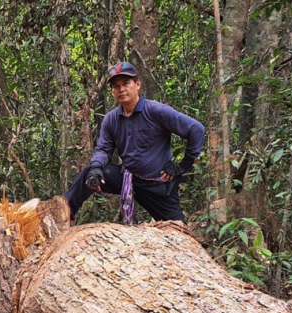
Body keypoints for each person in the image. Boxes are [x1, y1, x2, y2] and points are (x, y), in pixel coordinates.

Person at [64, 62, 205, 224]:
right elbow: (103, 149)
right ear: (112, 91)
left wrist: (182, 166)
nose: (121, 89)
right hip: (127, 179)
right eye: (116, 86)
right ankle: (65, 214)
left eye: (126, 83)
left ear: (137, 85)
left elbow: (196, 129)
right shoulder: (111, 119)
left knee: (178, 230)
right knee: (89, 172)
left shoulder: (156, 111)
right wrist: (96, 167)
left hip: (157, 185)